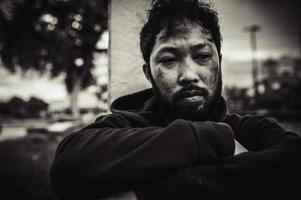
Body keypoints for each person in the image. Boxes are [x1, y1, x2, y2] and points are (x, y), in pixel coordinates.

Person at [50, 0, 301, 199]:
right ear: (149, 73)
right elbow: (67, 168)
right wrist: (215, 140)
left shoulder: (250, 130)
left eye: (202, 56)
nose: (189, 75)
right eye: (169, 60)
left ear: (219, 62)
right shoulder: (124, 126)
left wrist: (150, 194)